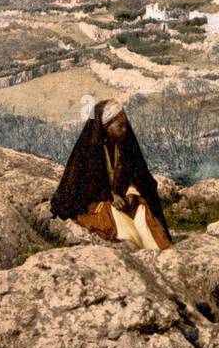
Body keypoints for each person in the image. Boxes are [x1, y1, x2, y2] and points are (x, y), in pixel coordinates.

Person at [50, 99, 172, 250]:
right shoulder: (88, 151)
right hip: (96, 204)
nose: (125, 129)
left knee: (143, 209)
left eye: (126, 125)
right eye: (120, 126)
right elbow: (82, 188)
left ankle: (157, 249)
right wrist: (109, 196)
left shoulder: (124, 146)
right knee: (122, 225)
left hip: (123, 202)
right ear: (106, 125)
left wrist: (131, 191)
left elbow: (141, 178)